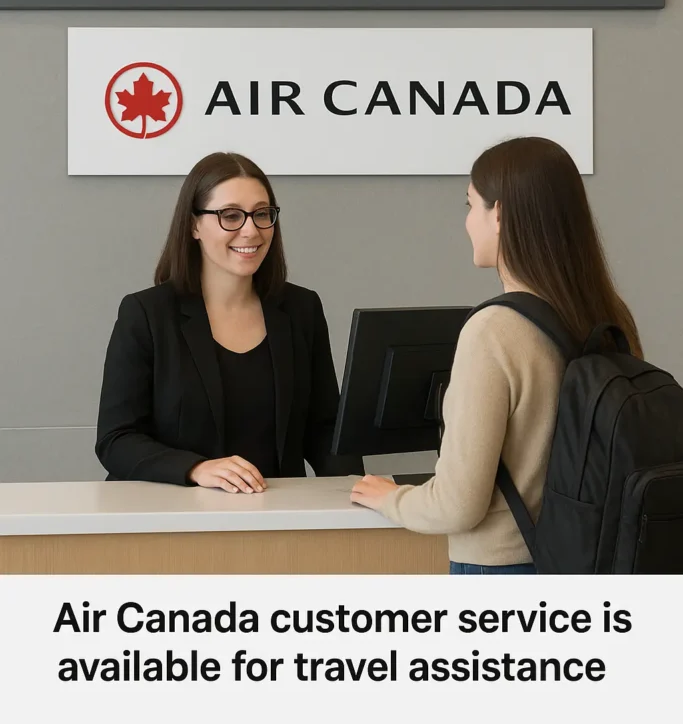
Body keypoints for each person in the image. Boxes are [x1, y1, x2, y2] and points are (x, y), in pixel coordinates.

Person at [351, 136, 642, 573]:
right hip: (591, 560)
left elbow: (457, 506)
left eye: (470, 205)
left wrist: (392, 498)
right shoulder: (610, 314)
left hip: (503, 571)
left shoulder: (493, 332)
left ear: (500, 215)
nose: (468, 221)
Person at [96, 151, 361, 491]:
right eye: (230, 216)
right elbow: (116, 439)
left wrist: (359, 489)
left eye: (262, 214)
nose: (251, 230)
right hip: (172, 515)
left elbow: (324, 430)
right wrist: (196, 468)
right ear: (194, 225)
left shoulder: (301, 308)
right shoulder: (146, 313)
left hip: (276, 515)